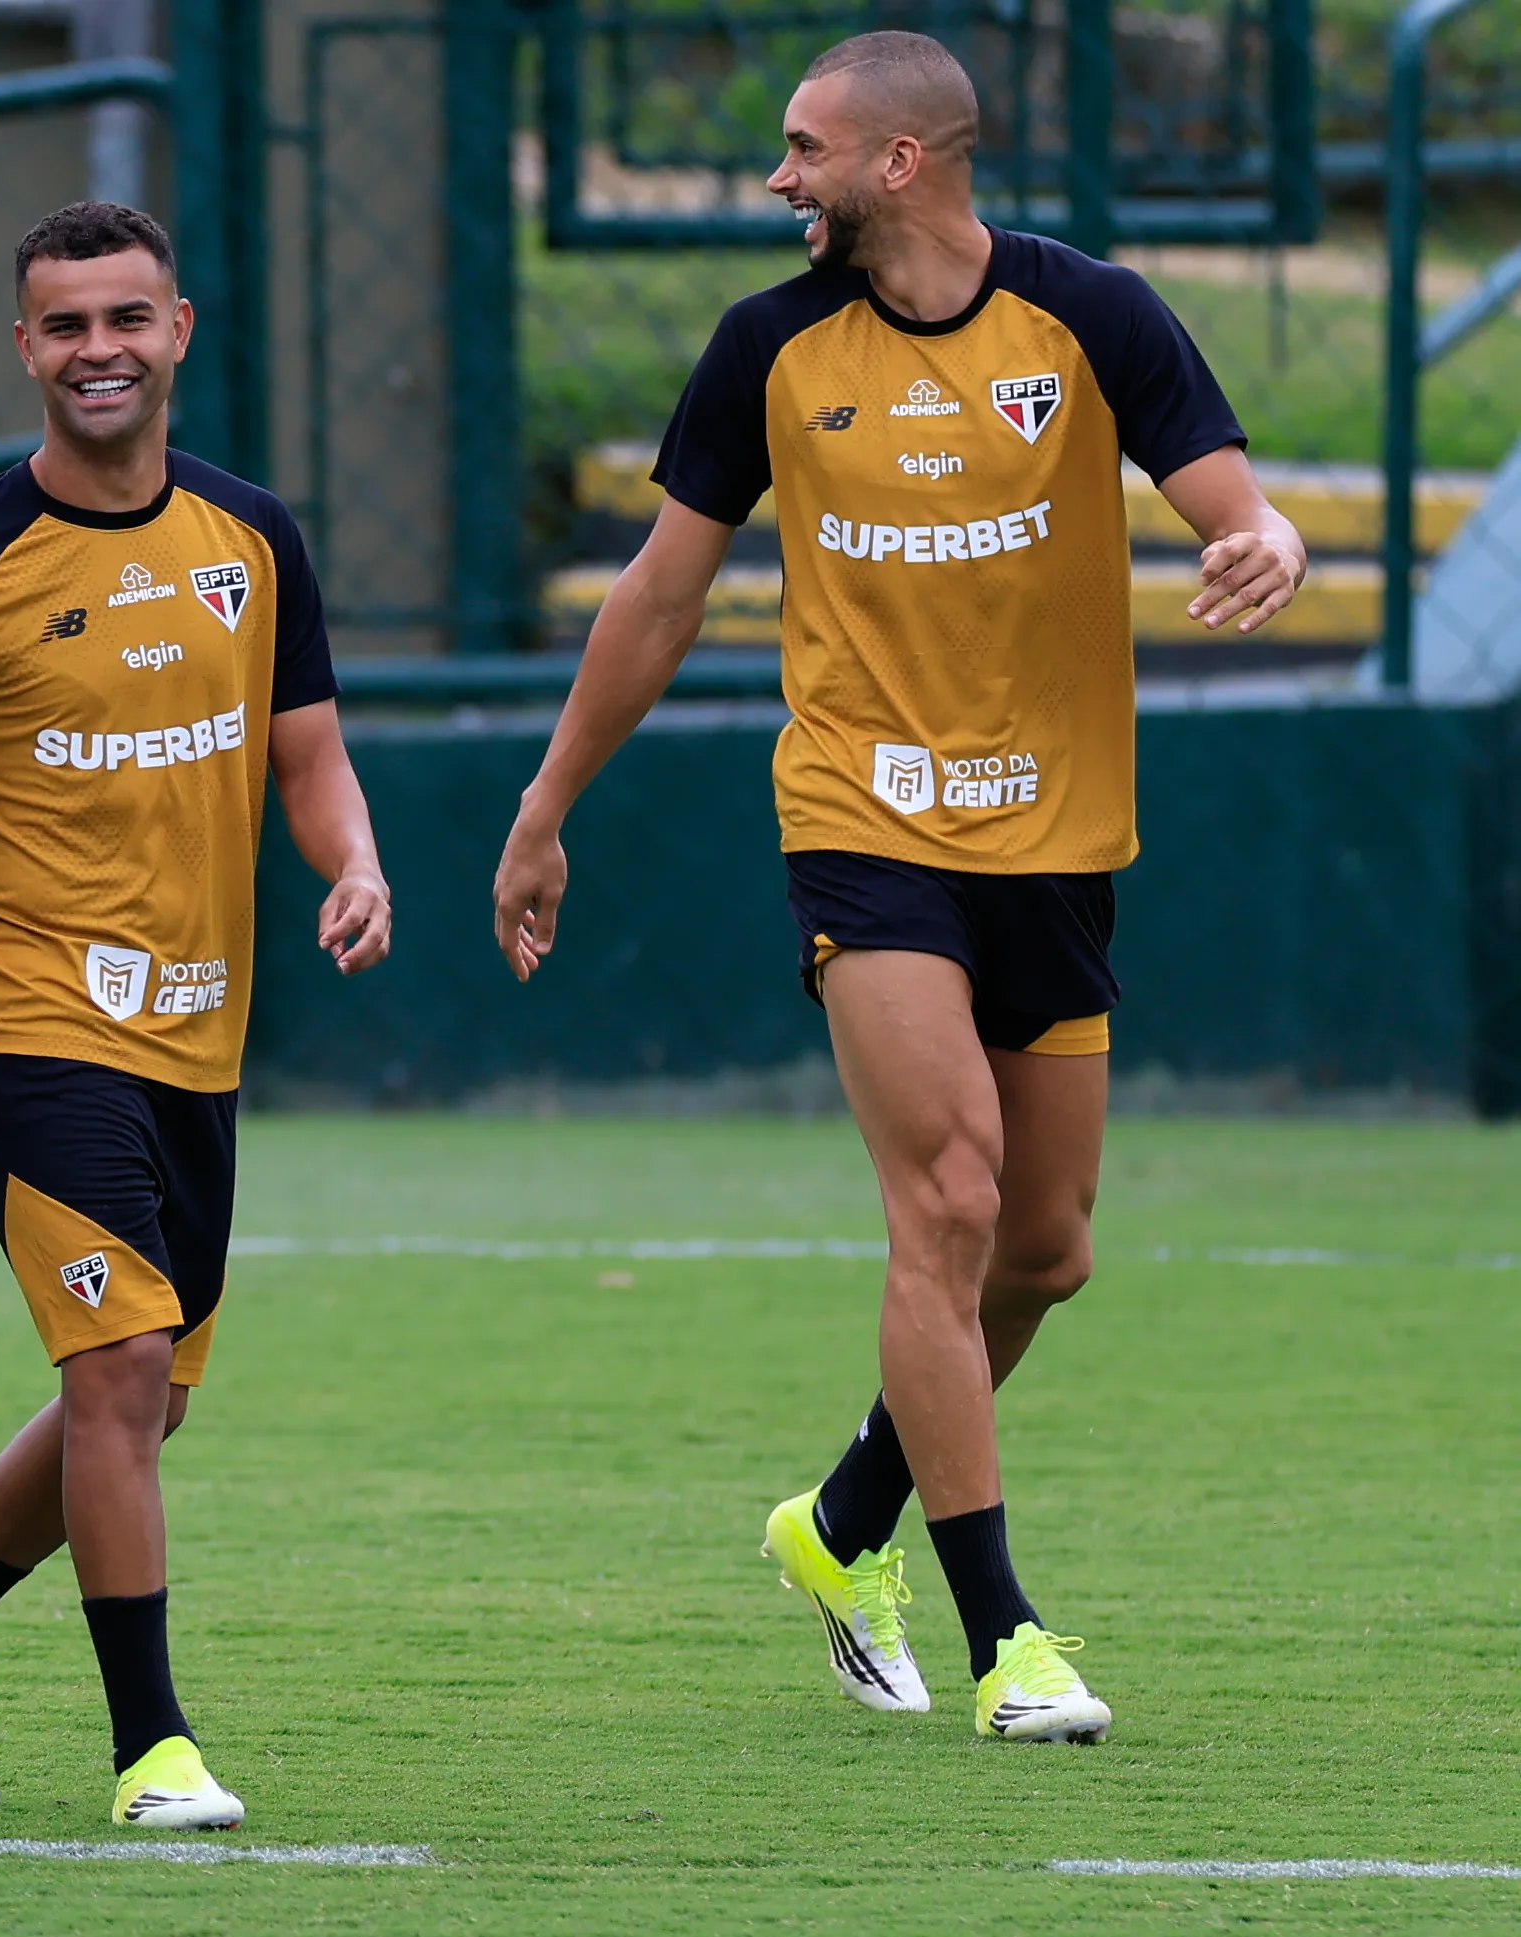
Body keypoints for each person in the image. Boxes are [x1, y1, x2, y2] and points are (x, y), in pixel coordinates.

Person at [488, 32, 1306, 1742]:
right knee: (944, 1201)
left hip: (1059, 833)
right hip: (862, 820)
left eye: (803, 149)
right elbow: (653, 599)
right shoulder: (767, 348)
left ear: (902, 165)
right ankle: (1007, 1634)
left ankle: (840, 1521)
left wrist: (1267, 541)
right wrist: (546, 802)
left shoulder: (1093, 317)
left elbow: (1235, 505)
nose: (777, 179)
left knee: (1045, 1251)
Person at [0, 201, 392, 1828]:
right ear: (23, 349)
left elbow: (307, 747)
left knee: (145, 1400)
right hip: (27, 1020)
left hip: (199, 1030)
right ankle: (152, 1750)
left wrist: (354, 863)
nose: (98, 350)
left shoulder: (254, 538)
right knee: (120, 1370)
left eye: (126, 319)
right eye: (64, 326)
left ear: (179, 329)